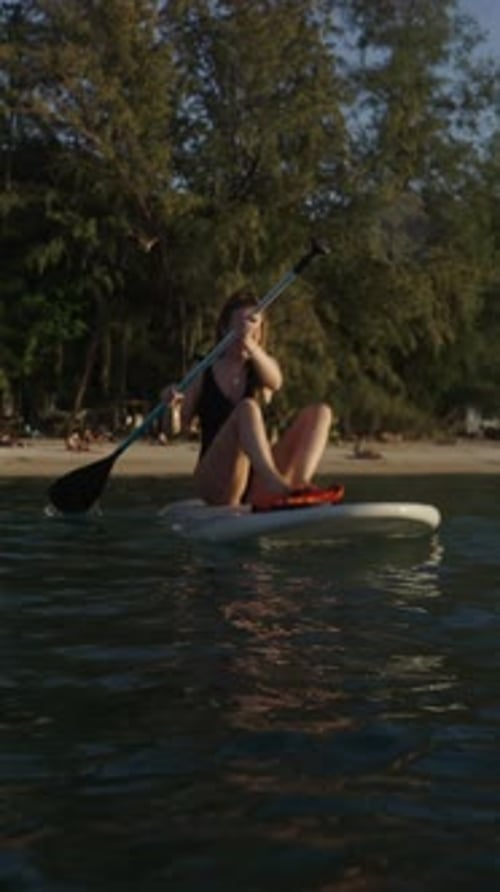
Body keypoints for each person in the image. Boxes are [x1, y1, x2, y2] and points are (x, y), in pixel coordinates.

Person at [162, 290, 333, 507]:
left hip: (258, 481)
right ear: (225, 329)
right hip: (218, 483)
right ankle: (278, 487)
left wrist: (249, 342)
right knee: (247, 408)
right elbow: (173, 430)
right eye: (240, 328)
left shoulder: (262, 366)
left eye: (255, 329)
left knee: (321, 412)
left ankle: (299, 483)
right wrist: (172, 409)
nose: (247, 334)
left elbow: (276, 381)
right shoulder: (203, 369)